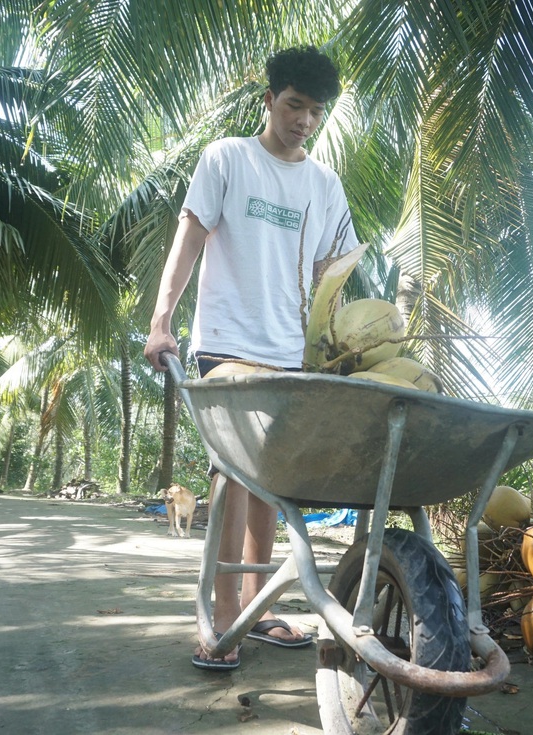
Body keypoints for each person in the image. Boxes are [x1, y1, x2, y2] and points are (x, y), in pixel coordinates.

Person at [144, 46, 359, 671]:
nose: (303, 121)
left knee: (275, 478)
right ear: (269, 100)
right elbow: (189, 237)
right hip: (227, 342)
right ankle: (218, 618)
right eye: (294, 105)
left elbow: (330, 273)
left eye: (315, 112)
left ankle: (257, 606)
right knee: (234, 473)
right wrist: (161, 322)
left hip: (292, 352)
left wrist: (336, 347)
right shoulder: (228, 159)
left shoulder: (324, 184)